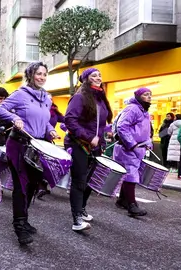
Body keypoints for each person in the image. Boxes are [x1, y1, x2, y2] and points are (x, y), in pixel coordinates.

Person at [0, 62, 58, 245]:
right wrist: (14, 118)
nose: (42, 77)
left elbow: (44, 120)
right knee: (21, 186)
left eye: (45, 74)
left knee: (32, 185)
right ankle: (20, 226)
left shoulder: (47, 98)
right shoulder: (21, 94)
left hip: (37, 146)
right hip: (19, 144)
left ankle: (25, 218)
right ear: (30, 75)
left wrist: (50, 130)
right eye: (38, 74)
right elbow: (0, 109)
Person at [64, 68, 113, 231]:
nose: (98, 77)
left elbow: (100, 123)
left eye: (99, 74)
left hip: (96, 146)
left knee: (90, 181)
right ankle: (76, 219)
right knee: (79, 181)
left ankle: (82, 208)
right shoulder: (79, 97)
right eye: (94, 75)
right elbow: (70, 120)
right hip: (78, 144)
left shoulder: (100, 98)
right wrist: (88, 137)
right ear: (86, 80)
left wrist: (106, 133)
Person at [113, 88, 153, 216]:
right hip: (128, 148)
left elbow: (145, 130)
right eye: (146, 95)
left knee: (130, 174)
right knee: (131, 175)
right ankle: (132, 205)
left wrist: (148, 143)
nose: (149, 97)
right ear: (138, 96)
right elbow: (122, 126)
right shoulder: (133, 109)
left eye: (150, 95)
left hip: (136, 148)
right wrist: (132, 144)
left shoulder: (143, 111)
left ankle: (122, 200)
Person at [36, 102, 67, 199]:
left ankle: (42, 185)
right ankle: (39, 186)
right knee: (37, 163)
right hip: (37, 139)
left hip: (48, 141)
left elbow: (65, 120)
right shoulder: (39, 110)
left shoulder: (55, 112)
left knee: (46, 164)